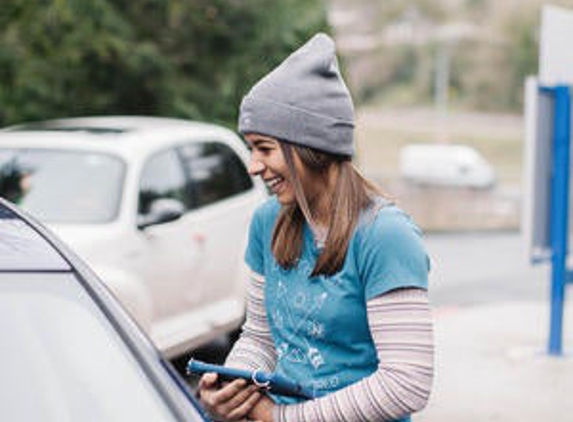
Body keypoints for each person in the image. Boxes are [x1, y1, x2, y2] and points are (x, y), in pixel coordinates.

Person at [198, 32, 434, 422]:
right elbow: (260, 337)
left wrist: (282, 419)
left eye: (264, 148)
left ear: (310, 147)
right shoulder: (266, 221)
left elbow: (406, 383)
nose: (253, 166)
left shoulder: (385, 235)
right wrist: (232, 387)